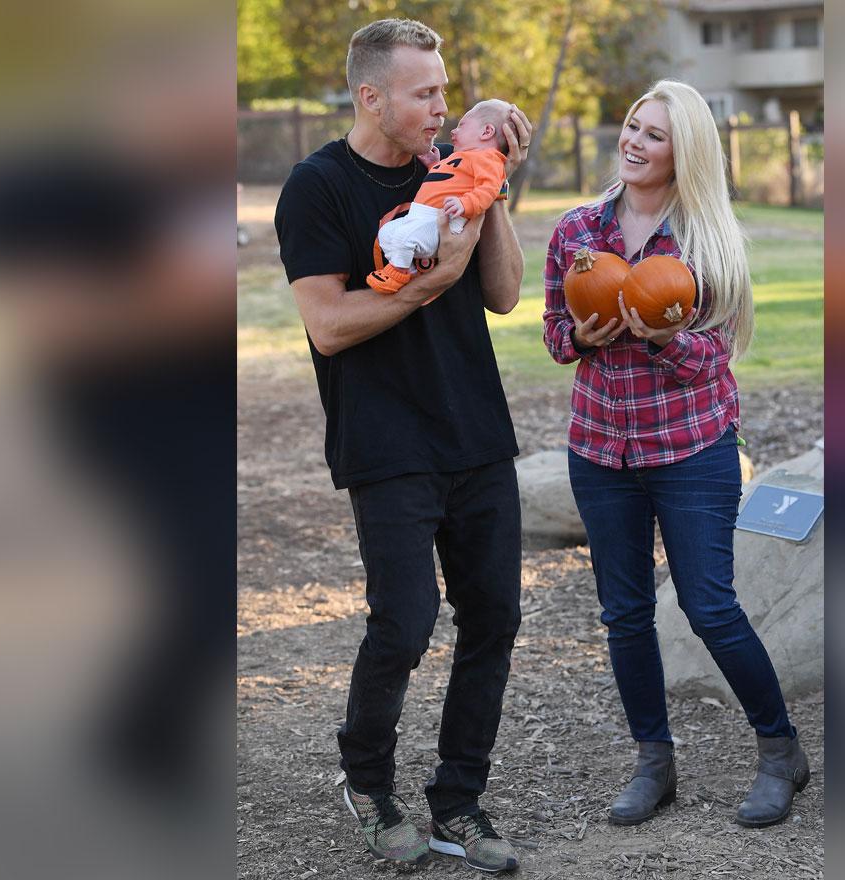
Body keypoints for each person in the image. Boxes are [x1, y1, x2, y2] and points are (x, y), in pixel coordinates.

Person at [273, 18, 532, 874]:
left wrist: (481, 175)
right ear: (371, 96)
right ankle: (368, 780)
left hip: (477, 433)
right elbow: (331, 324)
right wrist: (432, 283)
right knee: (406, 621)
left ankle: (459, 797)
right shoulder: (316, 188)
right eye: (424, 93)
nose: (440, 107)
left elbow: (502, 293)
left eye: (446, 91)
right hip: (385, 443)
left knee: (494, 615)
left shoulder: (447, 169)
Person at [542, 80, 809, 829]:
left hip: (691, 449)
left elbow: (715, 359)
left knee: (709, 606)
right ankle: (653, 762)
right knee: (624, 614)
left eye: (654, 135)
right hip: (599, 450)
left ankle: (779, 749)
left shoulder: (706, 240)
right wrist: (581, 338)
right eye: (632, 126)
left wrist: (663, 336)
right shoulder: (577, 231)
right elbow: (556, 333)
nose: (633, 141)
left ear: (682, 151)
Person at [367, 99, 514, 293]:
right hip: (419, 216)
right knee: (387, 233)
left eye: (462, 125)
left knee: (404, 238)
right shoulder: (458, 157)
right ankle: (409, 269)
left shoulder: (488, 159)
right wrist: (434, 166)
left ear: (486, 132)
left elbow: (488, 189)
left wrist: (465, 203)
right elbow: (447, 181)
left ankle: (397, 273)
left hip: (442, 221)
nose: (454, 131)